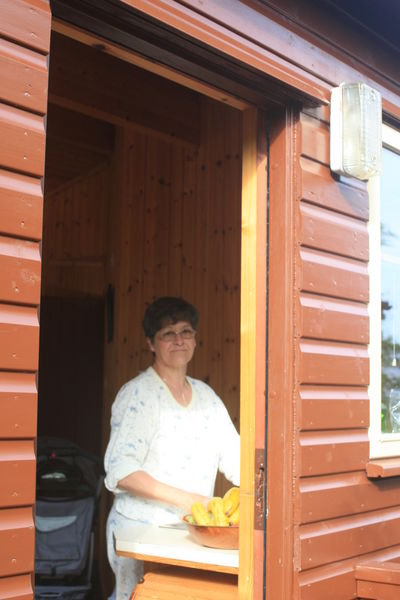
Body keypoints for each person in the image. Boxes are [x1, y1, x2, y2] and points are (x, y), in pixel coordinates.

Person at [104, 296, 240, 599]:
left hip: (192, 535)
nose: (179, 340)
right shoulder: (138, 394)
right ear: (151, 343)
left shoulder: (207, 398)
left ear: (195, 339)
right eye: (168, 333)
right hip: (140, 532)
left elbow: (238, 461)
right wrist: (191, 501)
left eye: (186, 332)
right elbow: (122, 471)